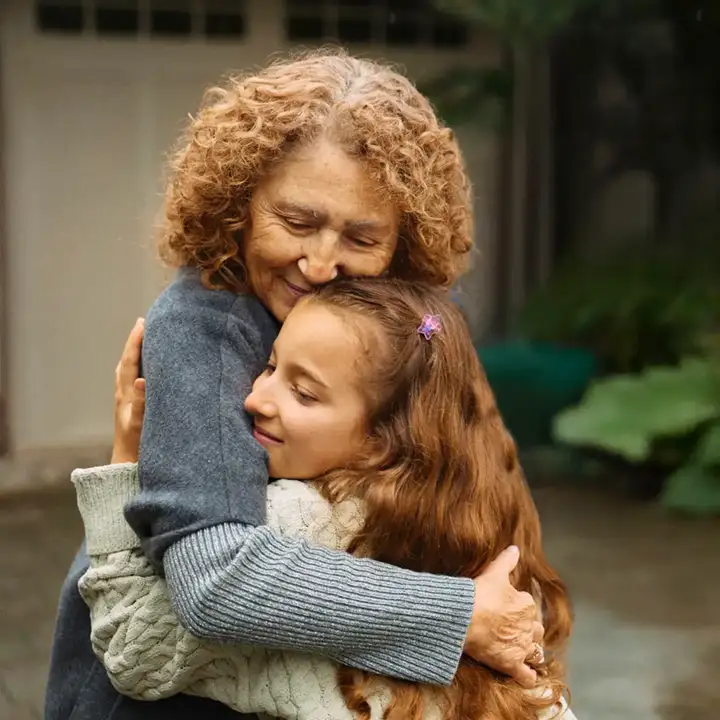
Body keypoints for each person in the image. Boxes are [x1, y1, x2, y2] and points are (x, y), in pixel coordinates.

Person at [45, 49, 543, 720]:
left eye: (360, 236)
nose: (320, 262)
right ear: (239, 203)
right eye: (297, 221)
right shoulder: (205, 328)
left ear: (402, 241)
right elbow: (214, 580)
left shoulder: (389, 327)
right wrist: (460, 615)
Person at [74, 277, 574, 720]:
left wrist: (123, 463)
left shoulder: (296, 520)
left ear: (383, 438)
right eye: (270, 367)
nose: (254, 399)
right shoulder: (458, 521)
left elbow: (136, 653)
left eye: (305, 393)